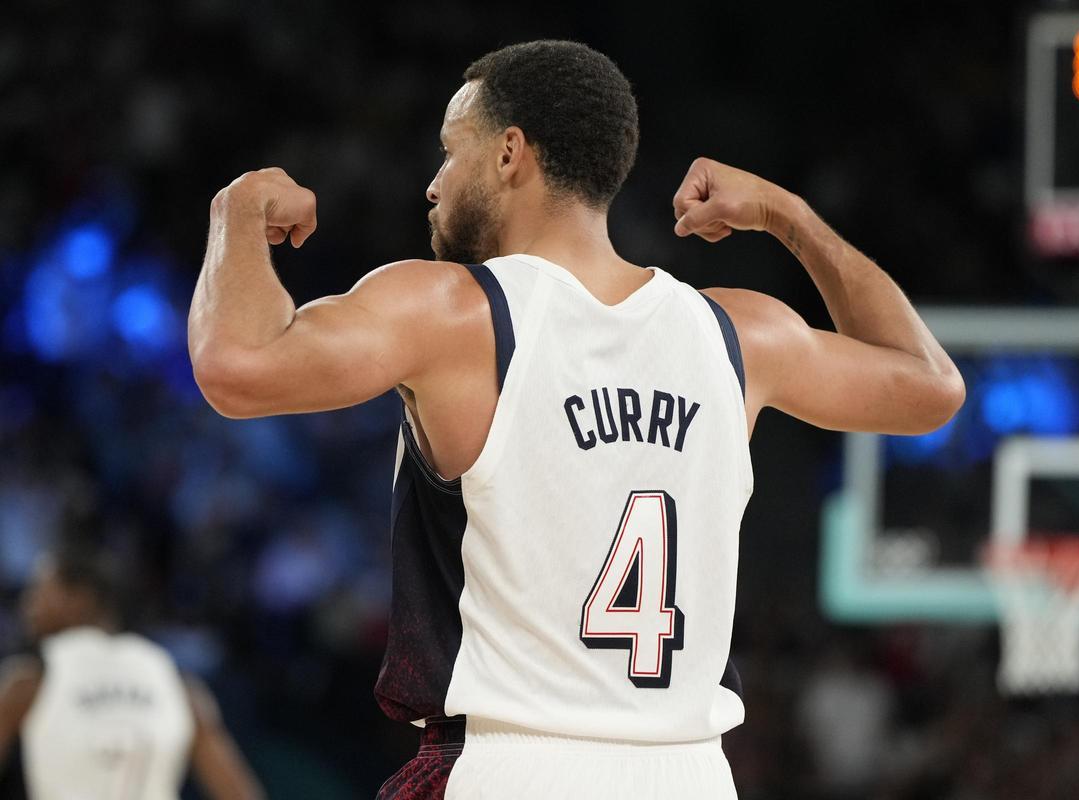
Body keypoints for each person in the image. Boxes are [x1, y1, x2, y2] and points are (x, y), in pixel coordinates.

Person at [187, 38, 964, 800]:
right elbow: (930, 386)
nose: (433, 184)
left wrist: (239, 208)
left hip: (515, 762)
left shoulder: (454, 311)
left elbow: (237, 367)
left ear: (509, 153)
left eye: (451, 152)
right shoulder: (738, 334)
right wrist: (786, 215)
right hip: (692, 774)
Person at [0, 547, 264, 800]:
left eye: (39, 591)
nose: (28, 605)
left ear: (80, 597)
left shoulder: (29, 683)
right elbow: (240, 794)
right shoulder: (177, 683)